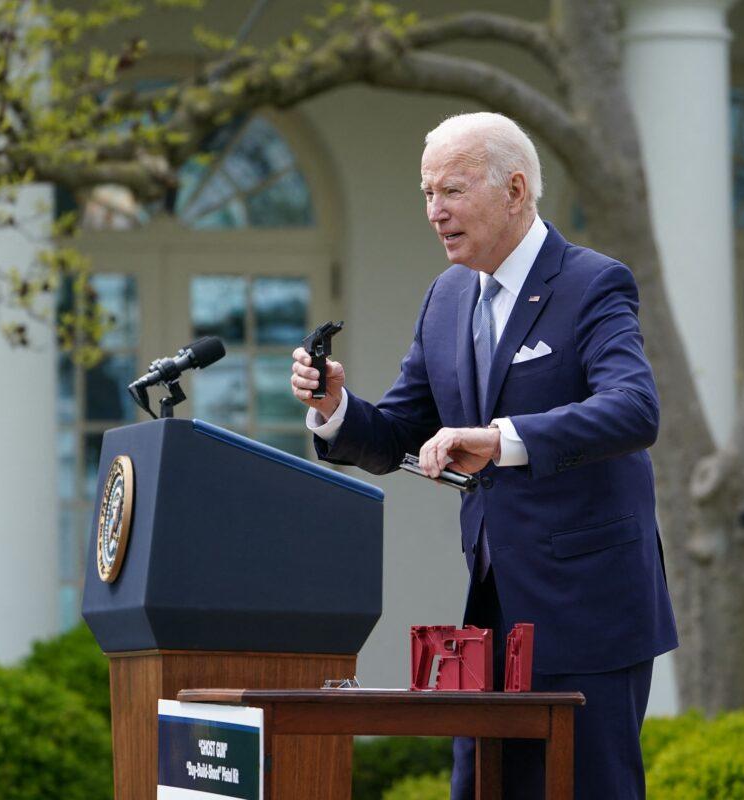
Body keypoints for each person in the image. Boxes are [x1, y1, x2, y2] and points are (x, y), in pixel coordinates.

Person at [290, 112, 677, 799]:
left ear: (516, 190)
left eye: (453, 191)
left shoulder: (593, 283)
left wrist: (503, 438)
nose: (435, 212)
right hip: (492, 618)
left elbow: (635, 408)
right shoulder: (445, 299)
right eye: (426, 194)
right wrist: (335, 410)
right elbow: (401, 430)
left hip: (590, 612)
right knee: (479, 788)